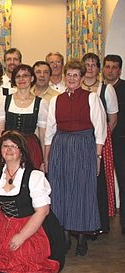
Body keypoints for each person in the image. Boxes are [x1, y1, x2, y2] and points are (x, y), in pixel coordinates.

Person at [0, 131, 65, 273]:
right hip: (4, 225)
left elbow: (42, 211)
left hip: (33, 224)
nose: (9, 150)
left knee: (23, 260)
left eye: (14, 146)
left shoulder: (34, 176)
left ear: (21, 151)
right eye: (5, 146)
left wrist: (22, 236)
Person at [45, 60, 107, 256]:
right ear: (65, 77)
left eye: (75, 75)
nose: (71, 78)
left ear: (81, 78)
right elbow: (49, 131)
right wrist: (47, 157)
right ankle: (63, 235)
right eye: (69, 75)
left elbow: (100, 129)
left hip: (83, 147)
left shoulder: (92, 98)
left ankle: (81, 236)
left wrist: (97, 157)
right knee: (60, 190)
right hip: (61, 148)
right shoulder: (56, 100)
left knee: (82, 191)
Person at [82, 53, 118, 234]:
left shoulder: (106, 89)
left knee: (99, 181)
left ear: (98, 69)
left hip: (100, 142)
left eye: (93, 65)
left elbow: (113, 119)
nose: (90, 68)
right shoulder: (73, 87)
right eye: (87, 64)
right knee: (83, 182)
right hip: (80, 141)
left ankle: (100, 223)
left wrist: (101, 139)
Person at [0, 64, 47, 170]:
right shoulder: (5, 100)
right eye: (18, 76)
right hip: (9, 147)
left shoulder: (40, 103)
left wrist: (44, 159)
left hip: (31, 148)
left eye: (25, 76)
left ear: (32, 78)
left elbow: (43, 134)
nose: (21, 79)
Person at [103, 54, 125, 235]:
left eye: (114, 67)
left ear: (120, 69)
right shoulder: (97, 89)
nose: (110, 70)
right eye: (107, 66)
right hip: (100, 142)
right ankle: (102, 224)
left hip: (121, 142)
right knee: (101, 183)